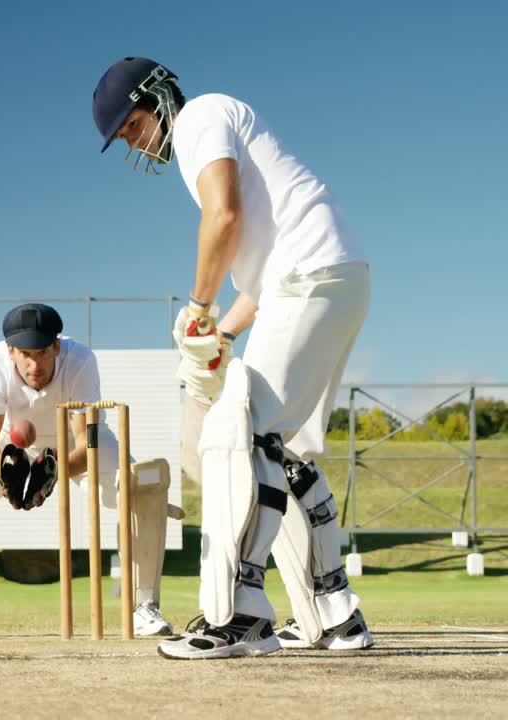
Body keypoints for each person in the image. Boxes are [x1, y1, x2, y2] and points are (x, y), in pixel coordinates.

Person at [92, 57, 375, 659]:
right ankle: (335, 614)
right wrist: (219, 332)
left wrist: (196, 305)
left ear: (157, 98)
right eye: (125, 139)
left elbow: (223, 217)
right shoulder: (217, 127)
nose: (136, 144)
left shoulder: (200, 117)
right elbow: (258, 282)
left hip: (310, 277)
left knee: (235, 433)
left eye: (133, 127)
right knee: (287, 451)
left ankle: (238, 616)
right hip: (335, 275)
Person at [0, 303, 178, 639]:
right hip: (7, 446)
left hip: (75, 445)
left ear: (57, 346)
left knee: (139, 485)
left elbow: (88, 444)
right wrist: (12, 471)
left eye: (41, 353)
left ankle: (142, 609)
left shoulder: (81, 361)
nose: (33, 364)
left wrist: (52, 469)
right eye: (24, 353)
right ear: (10, 351)